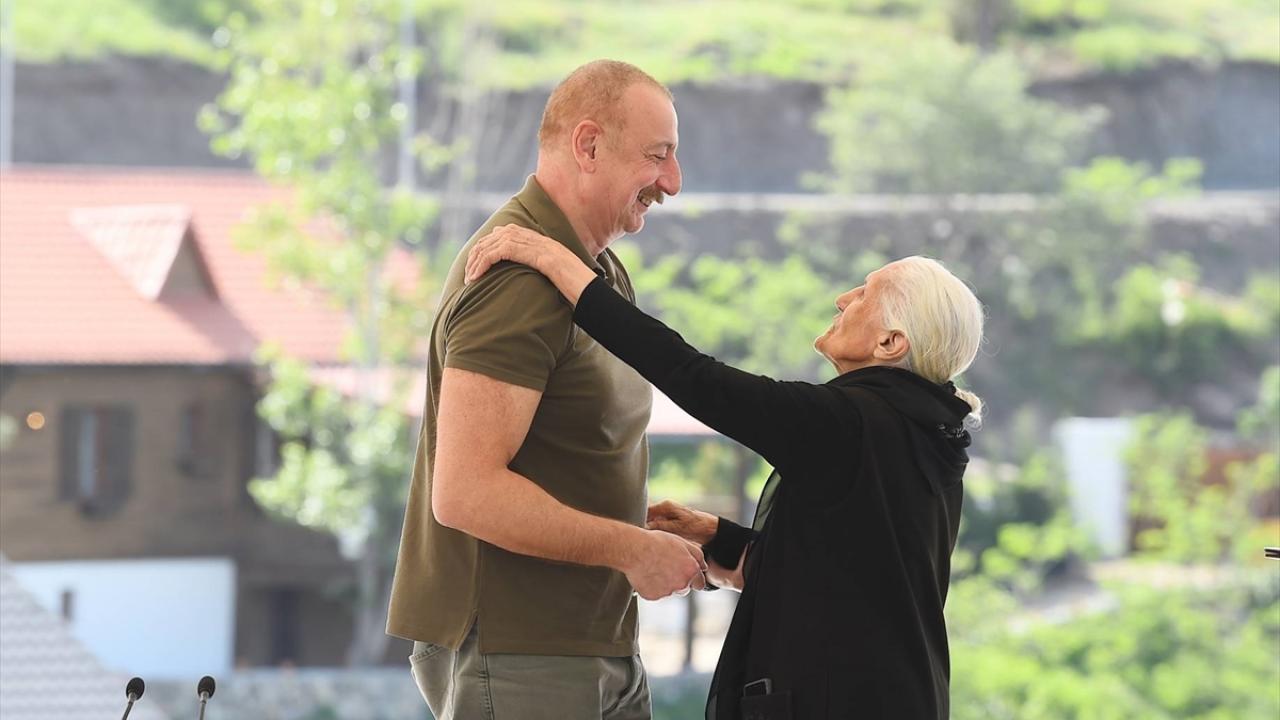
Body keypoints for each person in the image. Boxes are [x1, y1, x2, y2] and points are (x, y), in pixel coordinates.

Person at [466, 226, 986, 720]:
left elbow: (695, 377)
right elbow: (838, 578)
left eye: (866, 294)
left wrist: (556, 262)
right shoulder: (922, 434)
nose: (843, 298)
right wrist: (715, 536)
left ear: (890, 343)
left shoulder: (852, 423)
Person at [386, 60, 706, 720]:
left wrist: (633, 523)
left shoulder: (593, 272)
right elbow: (466, 491)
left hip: (585, 648)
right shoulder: (518, 281)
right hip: (524, 656)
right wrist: (631, 549)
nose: (672, 182)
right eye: (657, 156)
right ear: (587, 145)